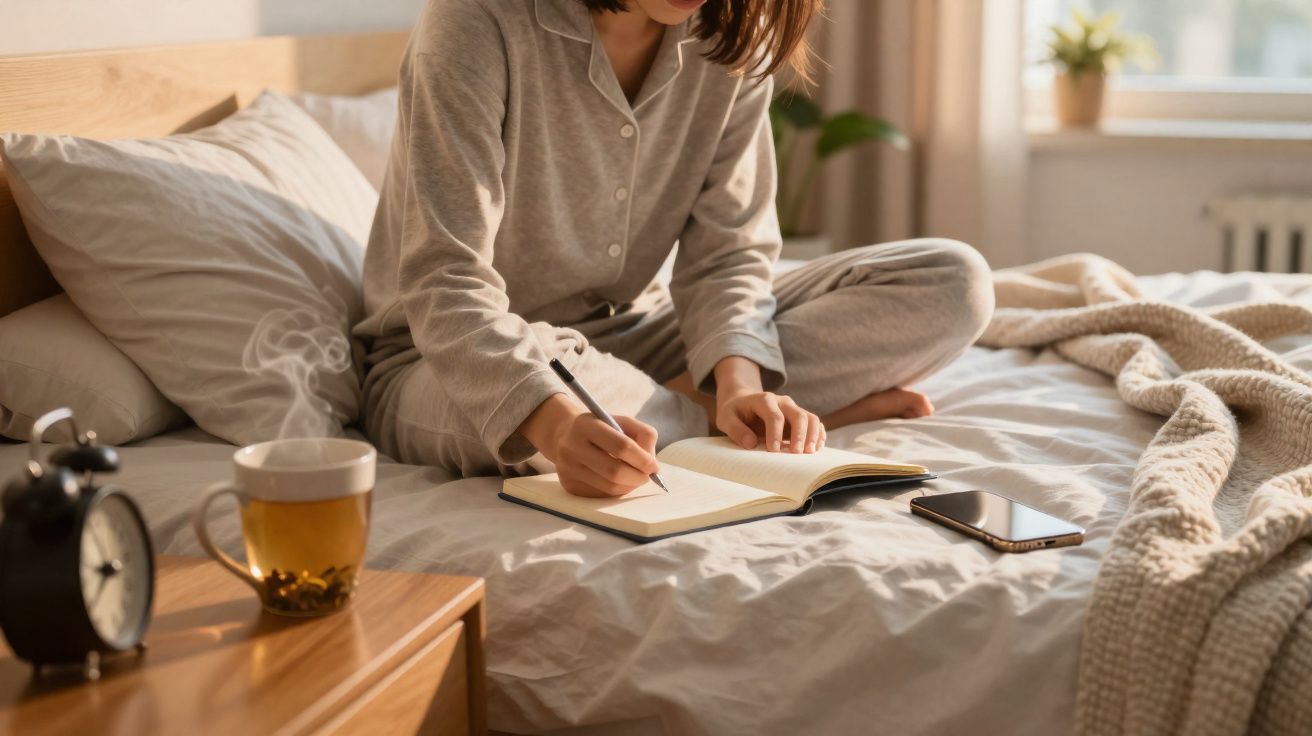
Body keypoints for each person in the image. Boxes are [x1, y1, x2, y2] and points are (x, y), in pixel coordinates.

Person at [355, 0, 994, 498]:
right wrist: (556, 426)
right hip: (452, 359)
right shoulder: (476, 19)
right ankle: (716, 422)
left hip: (638, 331)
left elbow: (729, 253)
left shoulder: (734, 31)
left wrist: (741, 386)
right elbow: (446, 281)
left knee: (952, 281)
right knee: (540, 397)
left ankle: (711, 417)